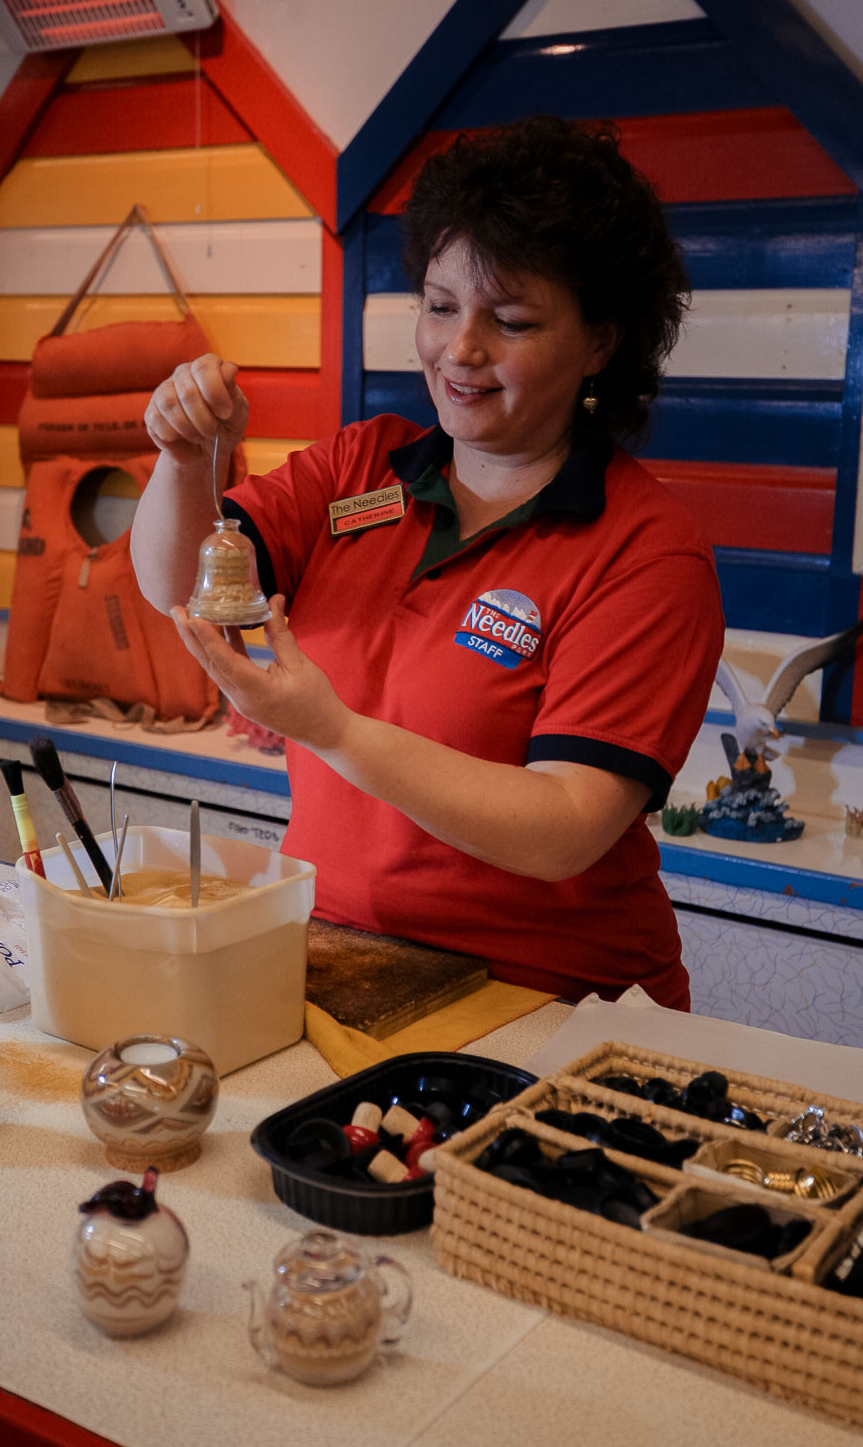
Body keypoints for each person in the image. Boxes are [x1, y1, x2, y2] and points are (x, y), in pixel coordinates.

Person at [132, 114, 723, 1011]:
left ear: (601, 341)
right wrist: (182, 457)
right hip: (342, 963)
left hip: (545, 1002)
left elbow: (563, 829)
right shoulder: (361, 470)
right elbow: (183, 586)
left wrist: (331, 729)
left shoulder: (644, 553)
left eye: (511, 321)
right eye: (440, 306)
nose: (460, 350)